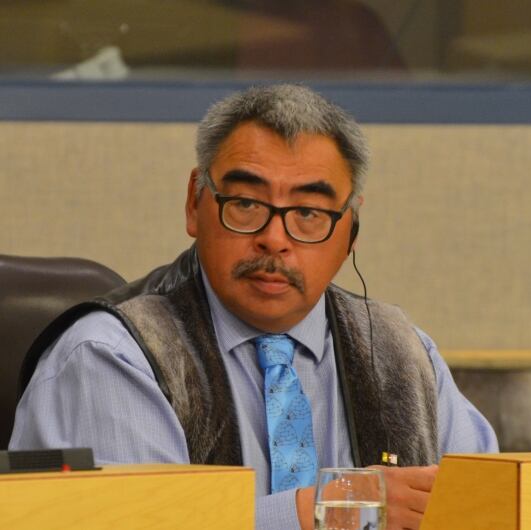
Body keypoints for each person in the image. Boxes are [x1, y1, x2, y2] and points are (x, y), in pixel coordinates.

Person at [11, 84, 498, 530]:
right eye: (246, 203)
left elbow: (491, 507)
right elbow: (136, 522)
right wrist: (320, 511)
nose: (274, 238)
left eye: (308, 213)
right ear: (194, 204)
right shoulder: (110, 355)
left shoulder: (402, 354)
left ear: (349, 231)